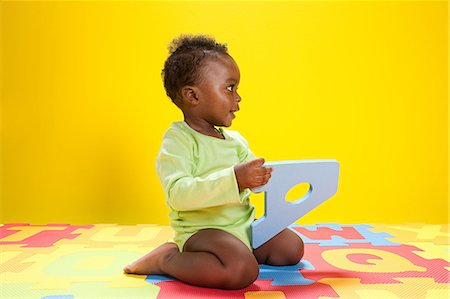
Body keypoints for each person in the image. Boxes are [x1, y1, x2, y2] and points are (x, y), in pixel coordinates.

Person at [124, 34, 304, 290]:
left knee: (291, 249)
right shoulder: (179, 140)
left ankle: (235, 253)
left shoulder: (236, 140)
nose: (238, 97)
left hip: (242, 227)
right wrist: (235, 179)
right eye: (230, 88)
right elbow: (178, 193)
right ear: (193, 96)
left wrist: (264, 179)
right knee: (240, 270)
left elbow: (254, 179)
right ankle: (168, 258)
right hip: (203, 232)